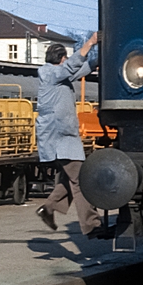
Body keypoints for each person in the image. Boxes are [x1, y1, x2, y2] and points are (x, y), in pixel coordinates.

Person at [34, 32, 107, 238]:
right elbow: (72, 66)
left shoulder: (59, 77)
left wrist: (102, 55)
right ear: (62, 59)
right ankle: (91, 225)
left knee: (69, 180)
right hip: (59, 138)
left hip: (63, 138)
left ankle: (48, 208)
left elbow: (83, 67)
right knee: (80, 179)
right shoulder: (50, 74)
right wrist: (90, 43)